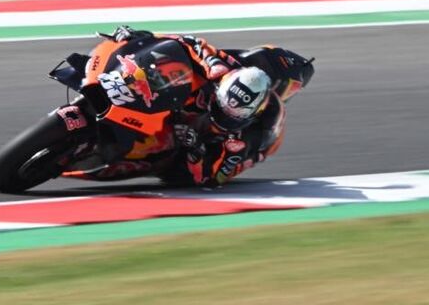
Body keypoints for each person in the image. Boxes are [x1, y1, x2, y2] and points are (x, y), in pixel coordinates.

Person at [110, 25, 315, 189]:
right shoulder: (220, 69)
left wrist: (195, 148)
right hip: (192, 108)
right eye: (221, 107)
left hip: (200, 149)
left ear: (254, 114)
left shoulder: (248, 139)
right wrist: (142, 38)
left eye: (232, 116)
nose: (222, 117)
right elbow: (188, 43)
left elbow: (211, 177)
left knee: (180, 178)